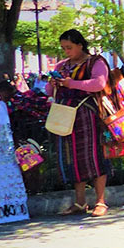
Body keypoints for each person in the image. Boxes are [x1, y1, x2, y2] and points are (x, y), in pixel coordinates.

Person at [45, 29, 112, 217]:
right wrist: (53, 82)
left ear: (80, 45)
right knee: (72, 158)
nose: (66, 52)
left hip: (88, 115)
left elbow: (98, 84)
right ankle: (80, 202)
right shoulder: (61, 65)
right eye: (64, 48)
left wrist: (70, 83)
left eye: (69, 47)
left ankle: (100, 201)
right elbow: (49, 91)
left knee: (94, 156)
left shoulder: (96, 62)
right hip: (65, 116)